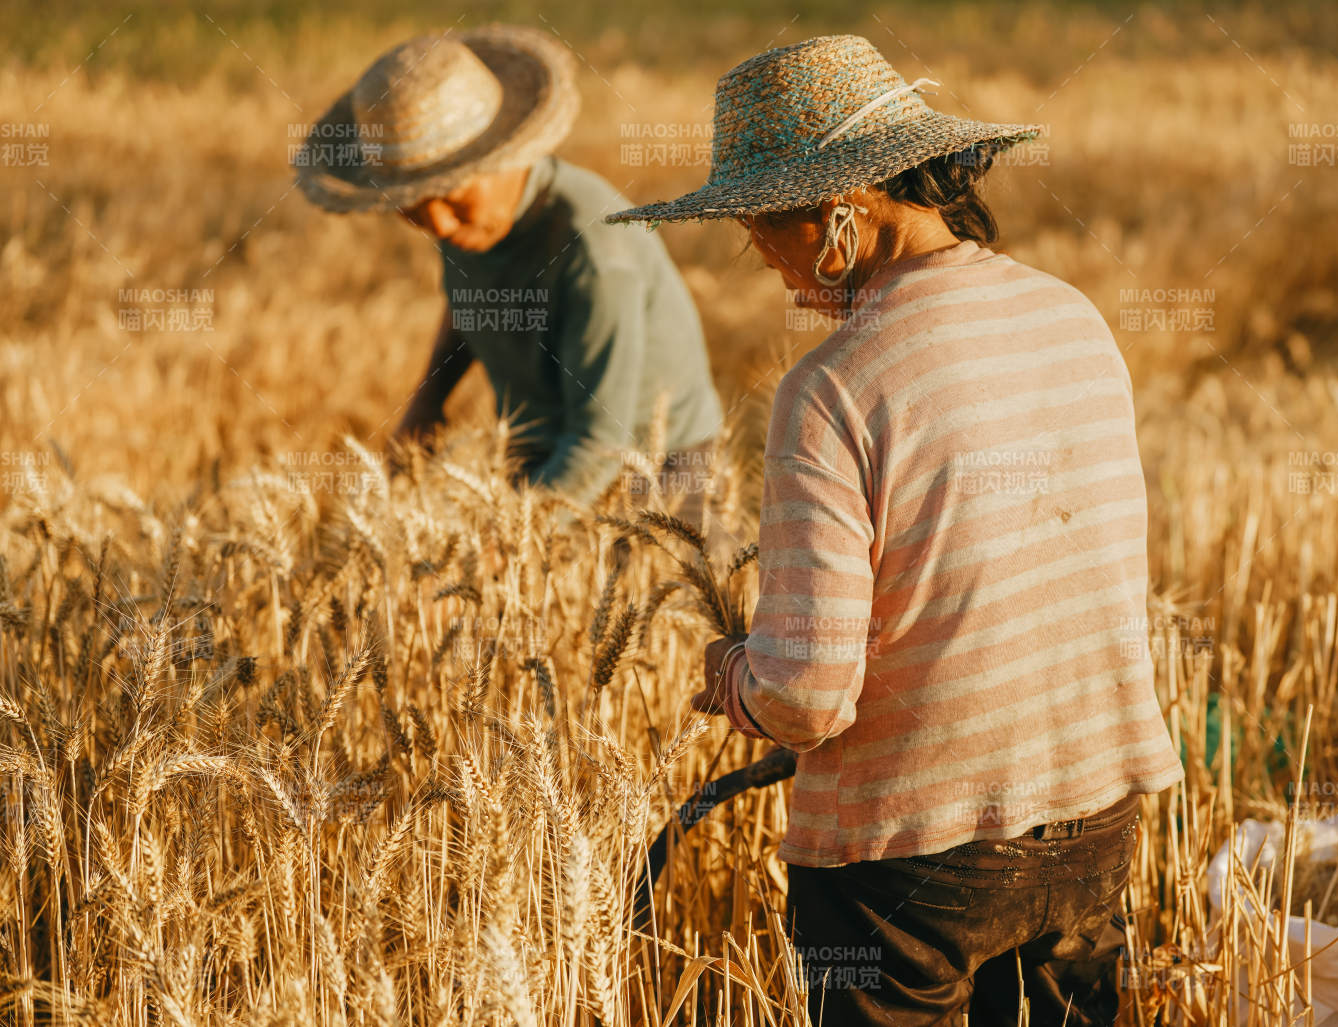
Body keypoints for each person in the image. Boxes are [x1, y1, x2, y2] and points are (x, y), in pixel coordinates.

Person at [608, 35, 1185, 1026]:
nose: (770, 267)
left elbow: (806, 697)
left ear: (841, 213)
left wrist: (735, 675)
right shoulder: (1072, 317)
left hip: (912, 857)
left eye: (766, 231)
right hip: (1096, 813)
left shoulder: (831, 389)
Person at [293, 26, 723, 504]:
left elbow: (600, 442)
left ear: (506, 155)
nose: (438, 224)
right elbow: (471, 296)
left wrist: (511, 539)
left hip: (654, 464)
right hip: (540, 442)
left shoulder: (595, 253)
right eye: (410, 207)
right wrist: (428, 401)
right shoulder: (469, 222)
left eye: (452, 197)